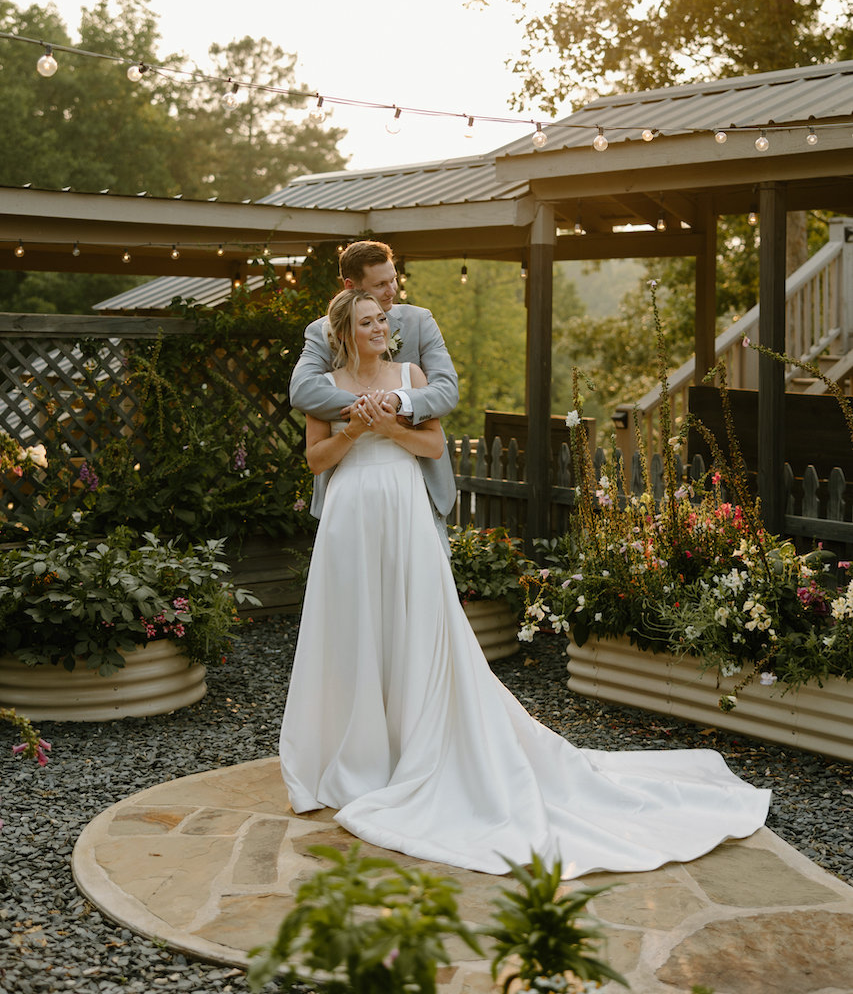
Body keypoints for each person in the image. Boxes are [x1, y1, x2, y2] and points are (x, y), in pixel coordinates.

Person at [279, 289, 771, 878]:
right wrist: (356, 430)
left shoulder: (410, 375)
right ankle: (355, 756)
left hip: (404, 510)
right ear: (345, 332)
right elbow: (315, 460)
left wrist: (392, 424)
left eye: (383, 319)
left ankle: (413, 749)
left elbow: (432, 444)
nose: (381, 326)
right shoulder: (326, 386)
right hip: (349, 515)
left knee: (414, 624)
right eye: (368, 322)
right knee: (353, 629)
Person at [289, 239, 458, 548]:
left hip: (419, 481)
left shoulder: (420, 321)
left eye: (393, 279)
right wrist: (369, 410)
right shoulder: (323, 331)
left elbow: (447, 390)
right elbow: (303, 390)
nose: (391, 290)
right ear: (351, 286)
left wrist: (398, 401)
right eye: (380, 284)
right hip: (350, 488)